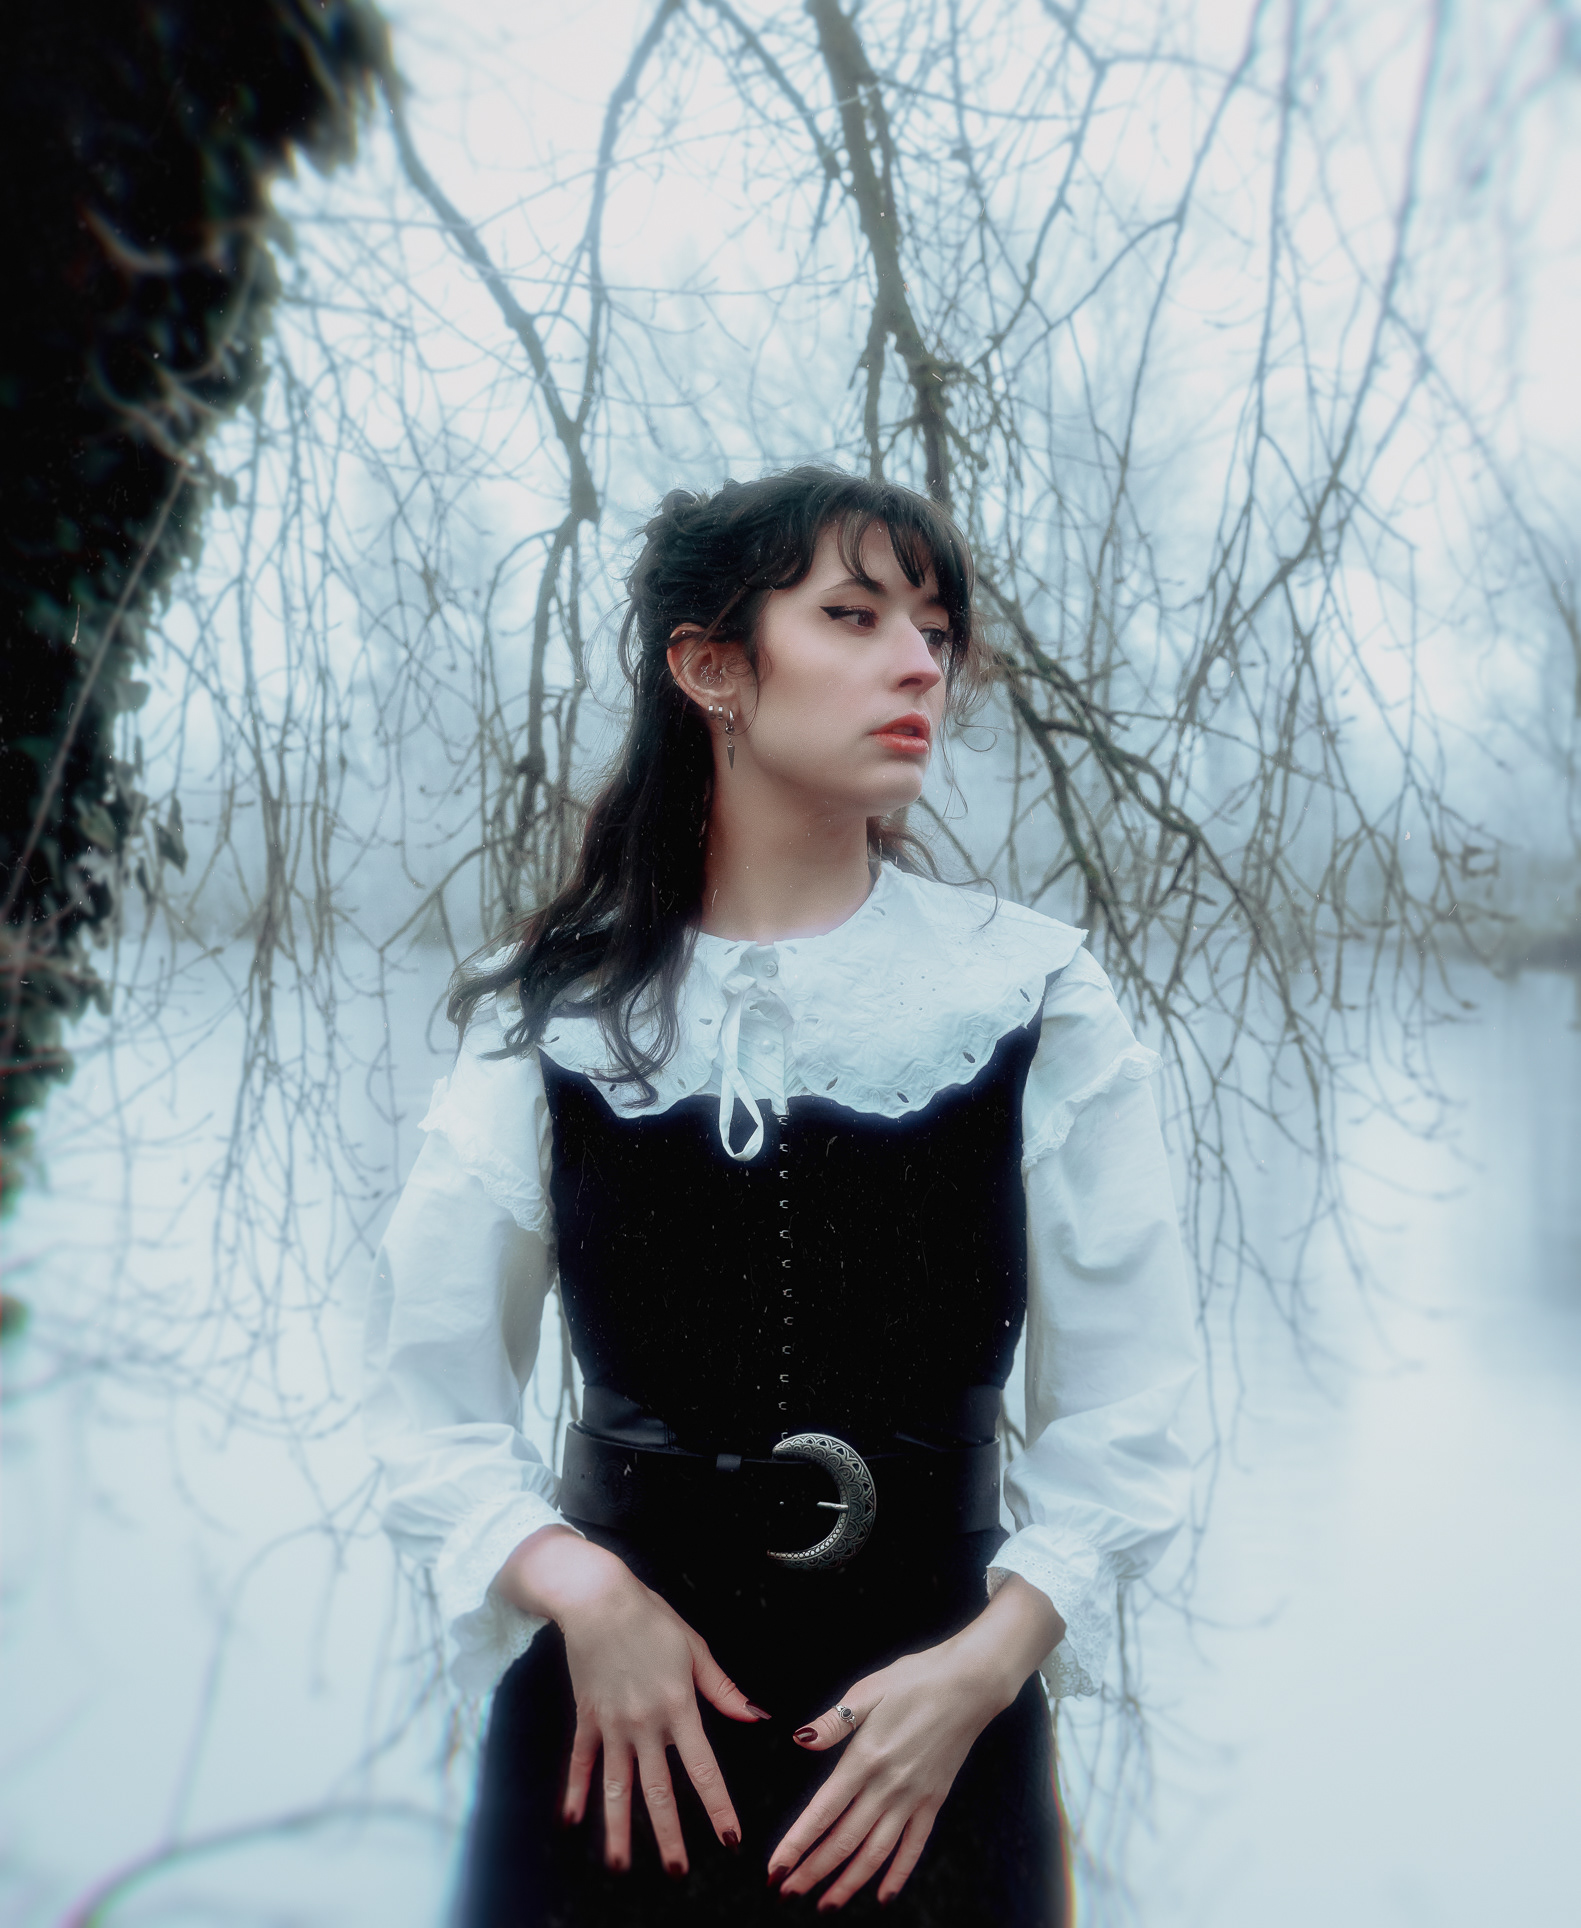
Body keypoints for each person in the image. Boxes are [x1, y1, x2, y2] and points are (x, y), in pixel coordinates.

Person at [362, 468, 1199, 1926]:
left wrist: (985, 1670)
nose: (919, 664)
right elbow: (429, 1408)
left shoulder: (1029, 995)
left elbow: (1130, 1416)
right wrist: (580, 1592)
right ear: (712, 669)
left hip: (932, 1749)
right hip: (615, 1746)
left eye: (934, 629)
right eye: (855, 616)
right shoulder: (549, 1011)